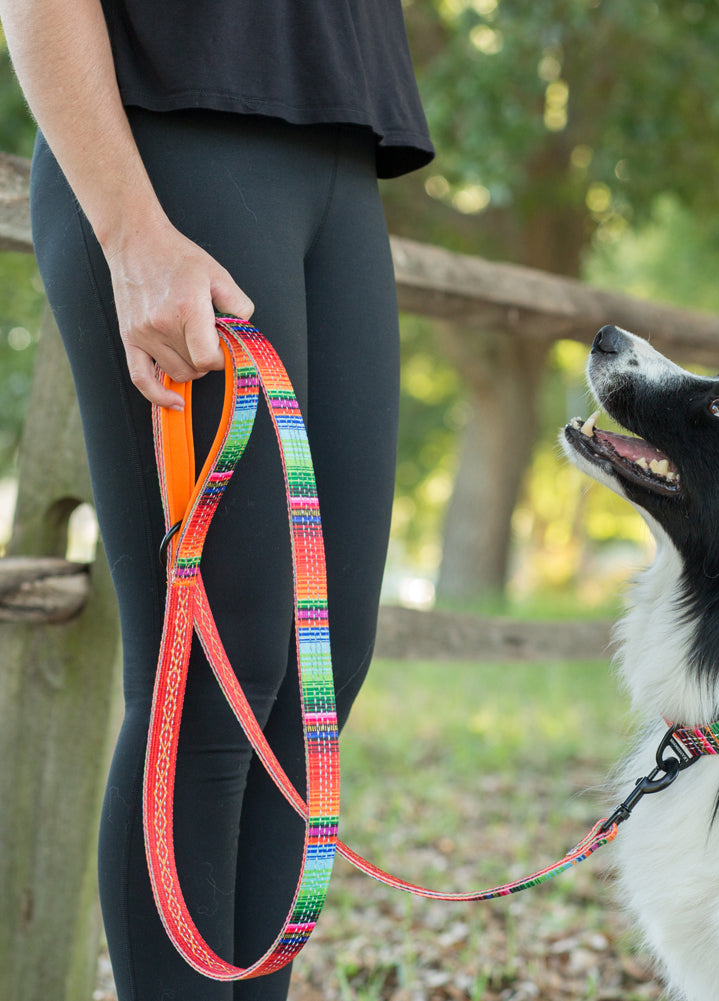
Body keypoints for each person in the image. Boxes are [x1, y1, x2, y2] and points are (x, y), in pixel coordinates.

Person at [1, 1, 433, 997]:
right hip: (170, 139)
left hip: (339, 142)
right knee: (209, 674)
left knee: (319, 671)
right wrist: (130, 230)